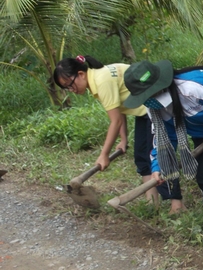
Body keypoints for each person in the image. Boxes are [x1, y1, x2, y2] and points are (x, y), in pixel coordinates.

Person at [123, 59, 203, 254]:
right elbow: (163, 136)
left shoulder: (192, 86)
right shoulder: (154, 107)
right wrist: (157, 167)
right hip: (199, 127)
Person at [53, 55, 168, 207]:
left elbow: (116, 121)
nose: (71, 90)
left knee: (156, 157)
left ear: (80, 74)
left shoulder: (102, 82)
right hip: (144, 111)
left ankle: (175, 203)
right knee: (142, 157)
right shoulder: (99, 76)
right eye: (66, 88)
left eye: (70, 84)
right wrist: (123, 139)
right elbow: (119, 110)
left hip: (156, 106)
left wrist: (104, 155)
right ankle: (152, 202)